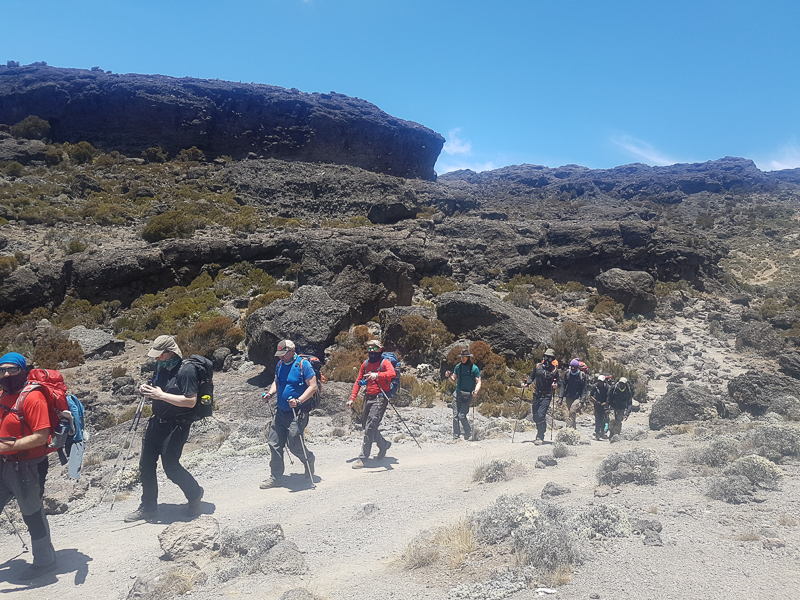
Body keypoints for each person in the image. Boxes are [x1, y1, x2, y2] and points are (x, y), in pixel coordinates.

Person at [125, 336, 204, 522]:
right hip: (156, 422)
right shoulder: (161, 367)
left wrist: (161, 395)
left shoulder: (187, 371)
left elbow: (191, 401)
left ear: (171, 352)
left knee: (171, 467)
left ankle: (195, 495)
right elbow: (158, 388)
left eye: (160, 355)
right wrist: (149, 390)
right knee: (146, 466)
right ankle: (148, 507)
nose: (157, 359)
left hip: (177, 425)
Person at [0, 352, 58, 579]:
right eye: (2, 370)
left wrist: (6, 447)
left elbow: (42, 436)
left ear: (23, 370)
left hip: (29, 465)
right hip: (4, 464)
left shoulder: (33, 398)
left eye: (12, 369)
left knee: (32, 512)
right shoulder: (3, 395)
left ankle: (46, 561)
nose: (6, 374)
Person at [260, 340, 317, 489]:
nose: (281, 358)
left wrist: (298, 401)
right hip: (281, 411)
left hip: (297, 412)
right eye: (279, 355)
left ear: (292, 351)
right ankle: (276, 477)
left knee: (295, 444)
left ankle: (308, 459)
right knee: (273, 442)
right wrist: (270, 393)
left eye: (283, 355)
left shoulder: (303, 365)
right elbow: (277, 382)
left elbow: (313, 386)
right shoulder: (279, 365)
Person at [348, 339, 396, 468]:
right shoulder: (366, 364)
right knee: (367, 425)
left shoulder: (384, 362)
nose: (371, 351)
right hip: (368, 397)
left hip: (380, 397)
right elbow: (358, 380)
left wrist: (377, 375)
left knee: (370, 426)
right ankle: (384, 444)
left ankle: (363, 458)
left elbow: (392, 373)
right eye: (369, 348)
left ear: (380, 349)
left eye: (374, 348)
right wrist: (352, 398)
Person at [521, 348, 559, 445]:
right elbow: (531, 377)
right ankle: (541, 427)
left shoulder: (554, 370)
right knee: (535, 416)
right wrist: (527, 384)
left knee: (541, 414)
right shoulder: (538, 366)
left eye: (550, 358)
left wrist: (556, 385)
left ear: (552, 359)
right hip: (537, 394)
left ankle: (540, 435)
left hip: (547, 395)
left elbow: (559, 382)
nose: (547, 359)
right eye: (546, 356)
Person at [445, 349, 482, 441]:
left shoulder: (474, 368)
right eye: (462, 357)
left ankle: (468, 431)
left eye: (465, 357)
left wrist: (476, 391)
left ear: (468, 357)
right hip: (457, 393)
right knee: (455, 415)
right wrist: (449, 376)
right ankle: (456, 436)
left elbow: (478, 381)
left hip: (468, 395)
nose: (463, 359)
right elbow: (453, 379)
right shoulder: (458, 367)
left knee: (462, 415)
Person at [560, 359, 588, 429]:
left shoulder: (582, 376)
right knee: (571, 413)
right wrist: (560, 397)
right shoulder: (567, 374)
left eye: (574, 367)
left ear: (577, 367)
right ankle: (573, 429)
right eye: (572, 366)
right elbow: (563, 385)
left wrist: (582, 401)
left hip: (577, 397)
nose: (573, 368)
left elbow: (585, 390)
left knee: (572, 410)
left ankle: (569, 428)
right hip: (569, 397)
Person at [589, 374, 610, 440]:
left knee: (604, 418)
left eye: (601, 381)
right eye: (599, 381)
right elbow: (591, 395)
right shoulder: (595, 386)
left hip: (605, 405)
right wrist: (596, 401)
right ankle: (597, 432)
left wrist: (606, 403)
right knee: (597, 418)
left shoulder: (607, 387)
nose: (600, 383)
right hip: (597, 404)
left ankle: (602, 431)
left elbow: (609, 396)